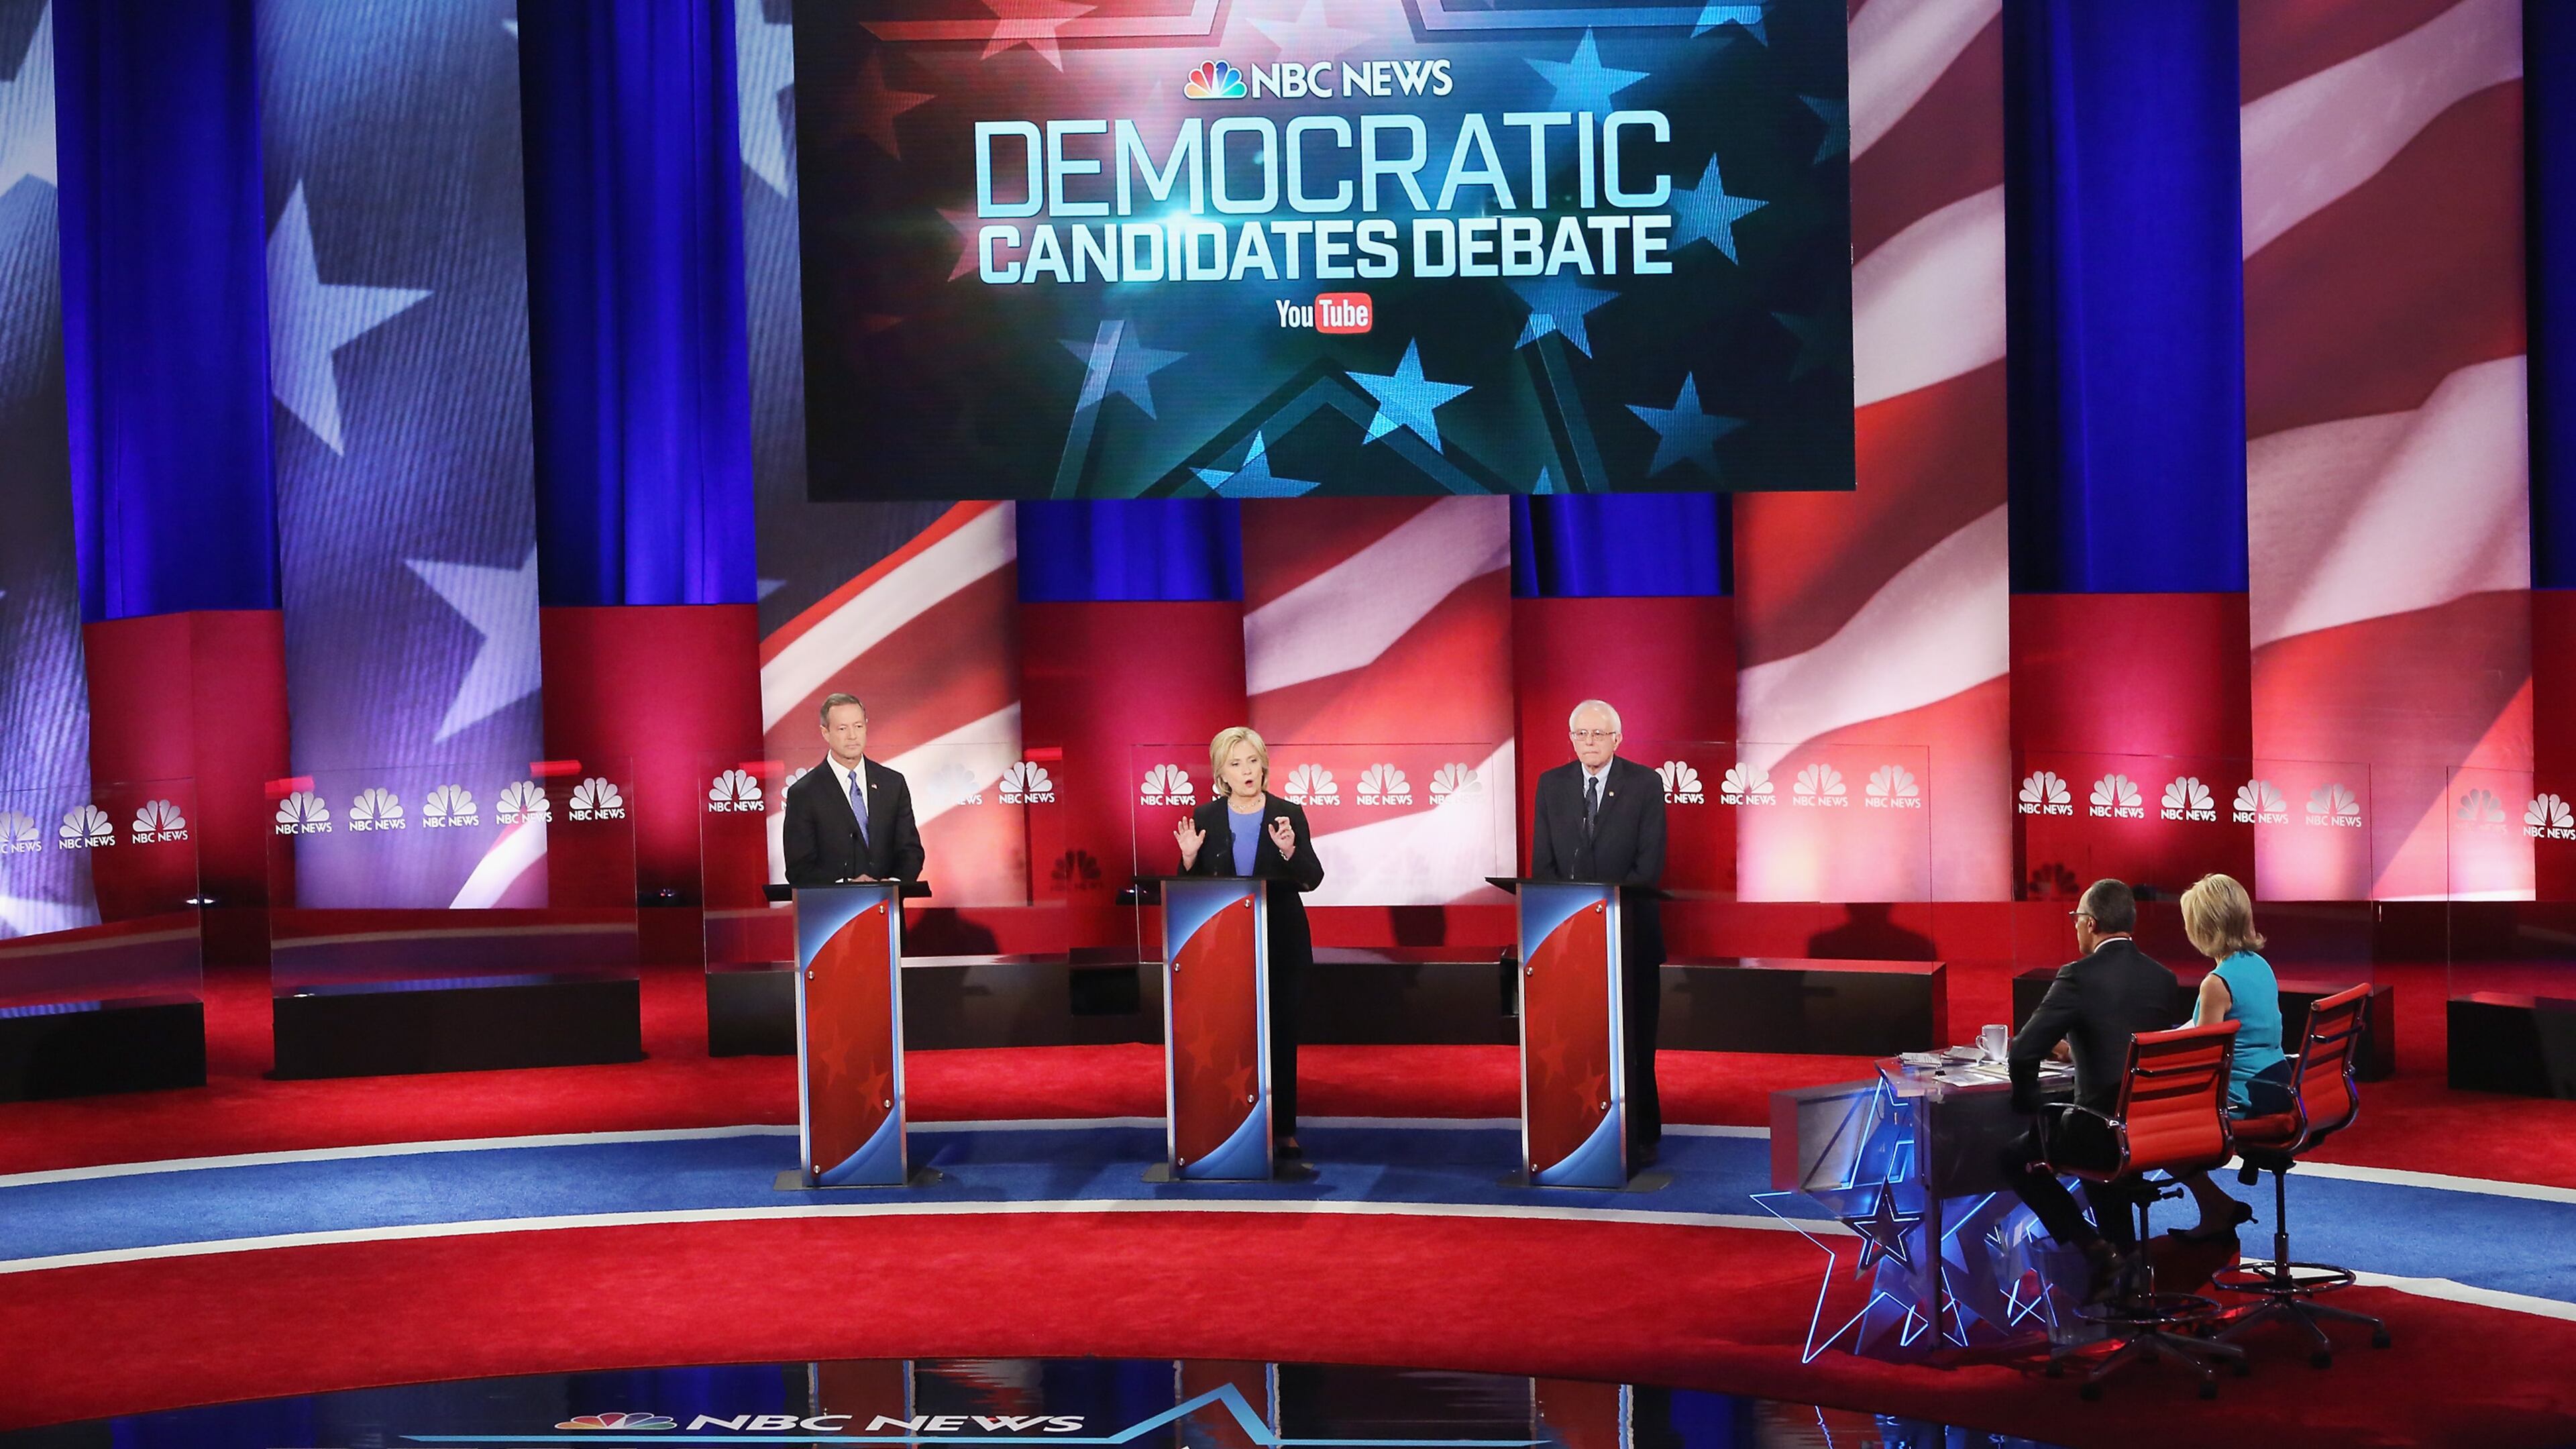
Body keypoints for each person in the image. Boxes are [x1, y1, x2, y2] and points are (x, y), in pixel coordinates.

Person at [1998, 878, 2182, 1301]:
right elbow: (2129, 1041)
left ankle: (2094, 1247)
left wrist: (2030, 1109)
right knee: (2101, 1144)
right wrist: (2080, 1050)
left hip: (2103, 1131)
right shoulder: (2163, 978)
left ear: (2091, 923)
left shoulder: (2077, 976)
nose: (2075, 927)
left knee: (2016, 1157)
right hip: (2154, 1128)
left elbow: (2024, 1053)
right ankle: (2126, 1269)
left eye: (2076, 919)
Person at [1526, 699, 1668, 1166]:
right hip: (1567, 938)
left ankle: (1640, 1133)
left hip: (1629, 935)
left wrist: (1601, 905)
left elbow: (1649, 866)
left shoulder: (1644, 784)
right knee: (1576, 1035)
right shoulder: (1551, 785)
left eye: (1598, 734)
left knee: (1633, 1038)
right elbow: (1542, 865)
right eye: (1580, 734)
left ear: (1617, 739)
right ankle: (1574, 1126)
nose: (1589, 742)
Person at [1175, 726, 1324, 1158]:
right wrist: (1187, 860)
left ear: (1264, 764)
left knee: (1279, 1033)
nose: (1247, 771)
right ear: (1222, 773)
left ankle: (1283, 1130)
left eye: (1253, 761)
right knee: (1229, 1035)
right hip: (1224, 947)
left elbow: (1311, 879)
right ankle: (1228, 1122)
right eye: (1236, 764)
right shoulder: (1204, 819)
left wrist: (1290, 851)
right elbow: (1191, 891)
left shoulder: (1287, 813)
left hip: (1281, 941)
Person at [2169, 872, 2291, 1242]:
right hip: (2277, 1085)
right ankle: (2217, 1207)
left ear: (2203, 927)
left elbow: (2203, 1059)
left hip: (2241, 1099)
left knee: (2157, 1128)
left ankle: (2215, 1206)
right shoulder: (2259, 965)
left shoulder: (2215, 983)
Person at [782, 694, 924, 888]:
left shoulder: (893, 783)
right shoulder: (804, 793)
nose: (852, 736)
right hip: (833, 912)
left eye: (858, 726)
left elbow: (910, 850)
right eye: (842, 728)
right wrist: (845, 886)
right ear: (825, 733)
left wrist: (891, 885)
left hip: (888, 909)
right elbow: (799, 867)